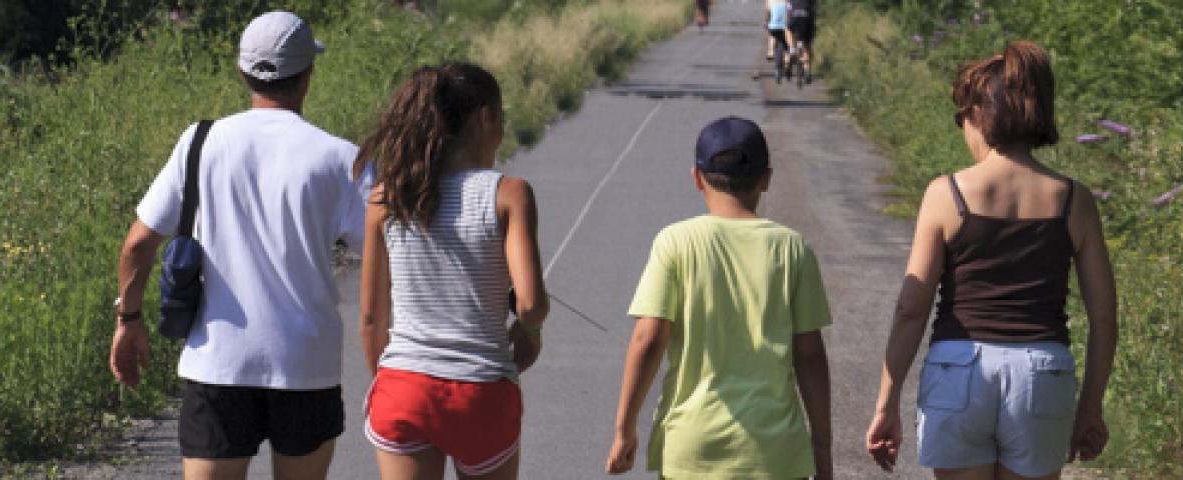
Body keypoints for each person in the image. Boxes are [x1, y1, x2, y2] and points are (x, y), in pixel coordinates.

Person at [109, 11, 362, 480]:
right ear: (308, 74)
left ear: (242, 71)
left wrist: (129, 319)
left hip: (218, 363)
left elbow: (139, 243)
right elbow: (389, 253)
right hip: (306, 363)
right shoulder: (339, 157)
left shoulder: (200, 143)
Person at [864, 41, 1119, 480]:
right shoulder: (1074, 201)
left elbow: (911, 309)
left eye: (963, 116)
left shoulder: (947, 193)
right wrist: (1091, 407)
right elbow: (1104, 317)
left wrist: (887, 403)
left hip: (959, 370)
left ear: (981, 114)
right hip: (1041, 373)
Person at [605, 117, 834, 480]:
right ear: (766, 178)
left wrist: (624, 429)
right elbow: (810, 356)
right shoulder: (792, 248)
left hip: (693, 448)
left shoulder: (675, 242)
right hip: (774, 453)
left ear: (697, 178)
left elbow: (648, 340)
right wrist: (822, 448)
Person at [354, 63, 548, 480]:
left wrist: (392, 381)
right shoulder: (509, 194)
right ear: (486, 117)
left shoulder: (387, 196)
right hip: (480, 390)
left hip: (404, 385)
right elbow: (530, 304)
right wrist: (529, 332)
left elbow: (371, 319)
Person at [787, 0, 817, 74]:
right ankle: (807, 68)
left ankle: (792, 49)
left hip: (794, 18)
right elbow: (813, 7)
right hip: (806, 19)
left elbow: (788, 7)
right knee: (808, 42)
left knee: (788, 30)